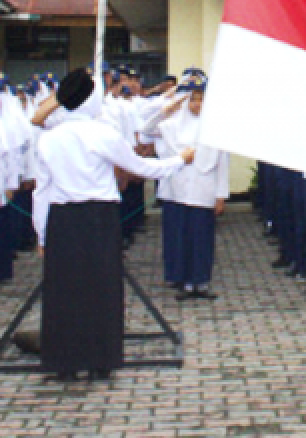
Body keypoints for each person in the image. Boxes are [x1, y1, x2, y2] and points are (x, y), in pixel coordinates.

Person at [30, 69, 193, 381]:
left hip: (63, 219)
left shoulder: (50, 139)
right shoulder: (102, 134)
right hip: (98, 218)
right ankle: (99, 359)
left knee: (64, 292)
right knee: (100, 290)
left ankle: (63, 360)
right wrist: (180, 161)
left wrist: (42, 234)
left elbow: (42, 191)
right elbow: (141, 167)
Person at [142, 78, 229, 301]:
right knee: (181, 237)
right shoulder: (172, 124)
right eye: (193, 100)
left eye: (201, 100)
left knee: (202, 238)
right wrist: (166, 109)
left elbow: (222, 163)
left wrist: (221, 195)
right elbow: (147, 129)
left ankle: (200, 281)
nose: (197, 105)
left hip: (203, 189)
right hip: (177, 190)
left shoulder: (216, 126)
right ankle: (183, 282)